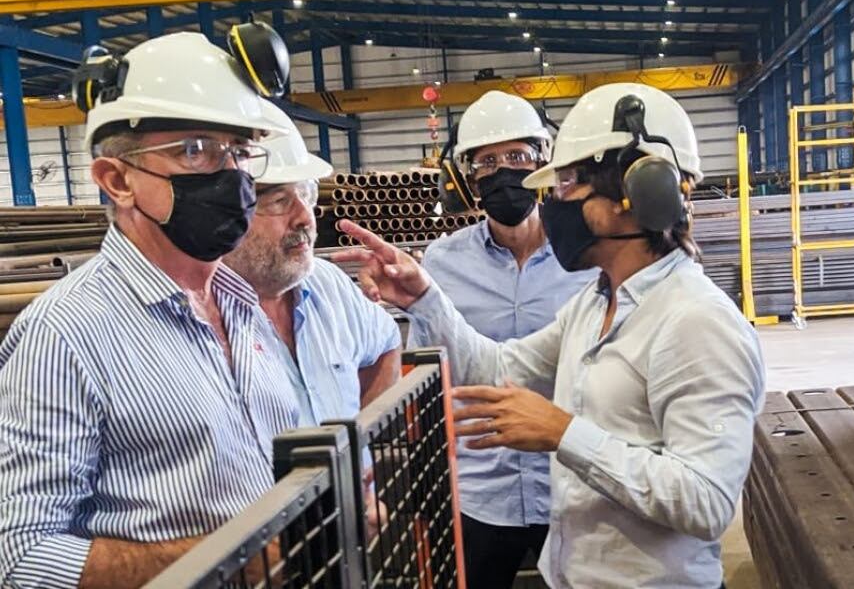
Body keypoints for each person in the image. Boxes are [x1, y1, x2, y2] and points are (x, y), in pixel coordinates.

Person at [335, 82, 765, 589]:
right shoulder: (596, 301)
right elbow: (499, 370)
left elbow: (707, 502)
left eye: (567, 185)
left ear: (636, 192)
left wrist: (564, 433)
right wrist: (424, 296)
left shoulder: (696, 322)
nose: (553, 203)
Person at [0, 28, 301, 588]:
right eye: (194, 150)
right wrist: (236, 555)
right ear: (117, 180)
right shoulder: (65, 337)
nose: (231, 175)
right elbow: (21, 556)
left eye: (239, 150)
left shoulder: (241, 304)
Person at [411, 91, 594, 589]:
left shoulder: (584, 257)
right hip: (480, 488)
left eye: (517, 157)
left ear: (543, 161)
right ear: (468, 177)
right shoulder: (442, 263)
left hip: (571, 480)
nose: (504, 172)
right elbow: (430, 369)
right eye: (488, 161)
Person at [223, 101, 401, 423]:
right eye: (280, 201)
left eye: (307, 195)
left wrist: (359, 446)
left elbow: (388, 345)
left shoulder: (328, 285)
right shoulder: (205, 317)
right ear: (227, 212)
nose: (305, 217)